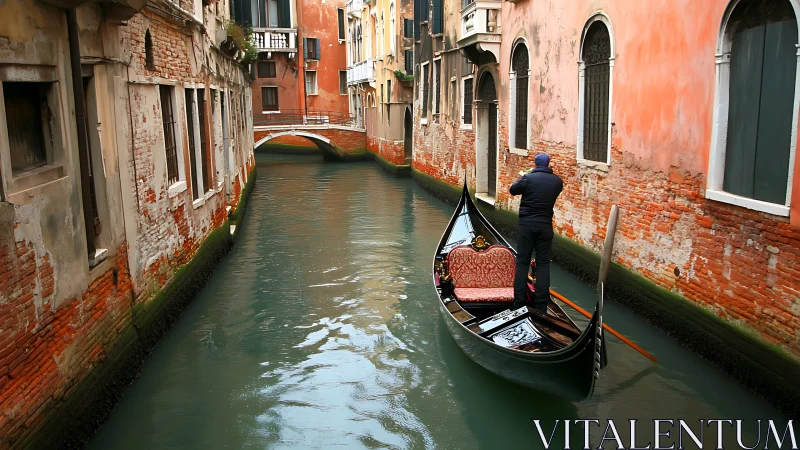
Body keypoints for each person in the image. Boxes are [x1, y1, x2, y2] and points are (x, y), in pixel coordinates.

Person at [508, 153, 563, 313]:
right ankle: (541, 306)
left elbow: (513, 190)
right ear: (548, 164)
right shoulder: (557, 181)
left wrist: (525, 176)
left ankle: (518, 304)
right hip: (545, 226)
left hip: (527, 225)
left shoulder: (528, 178)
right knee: (544, 264)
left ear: (535, 163)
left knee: (523, 263)